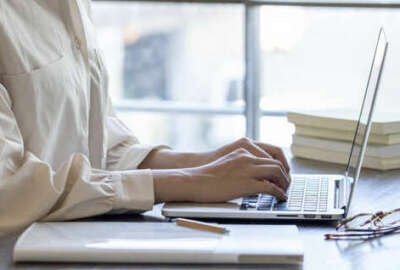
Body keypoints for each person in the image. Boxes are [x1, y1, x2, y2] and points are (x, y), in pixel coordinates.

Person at [0, 1, 290, 234]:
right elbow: (9, 189)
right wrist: (190, 181)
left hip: (76, 239)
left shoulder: (73, 6)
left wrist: (206, 162)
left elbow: (95, 145)